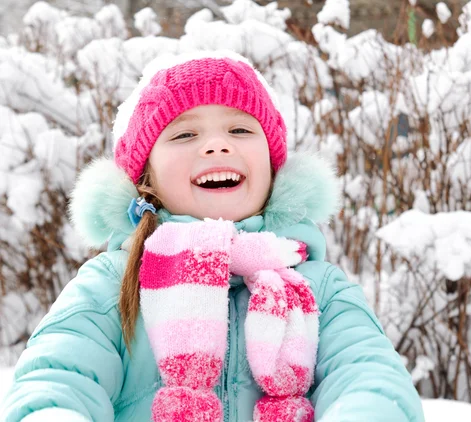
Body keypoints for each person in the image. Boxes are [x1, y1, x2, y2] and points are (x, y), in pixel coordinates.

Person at [0, 50, 425, 422]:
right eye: (185, 134)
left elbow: (369, 378)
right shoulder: (111, 285)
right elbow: (57, 380)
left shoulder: (322, 290)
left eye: (240, 130)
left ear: (274, 169)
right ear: (146, 177)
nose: (217, 146)